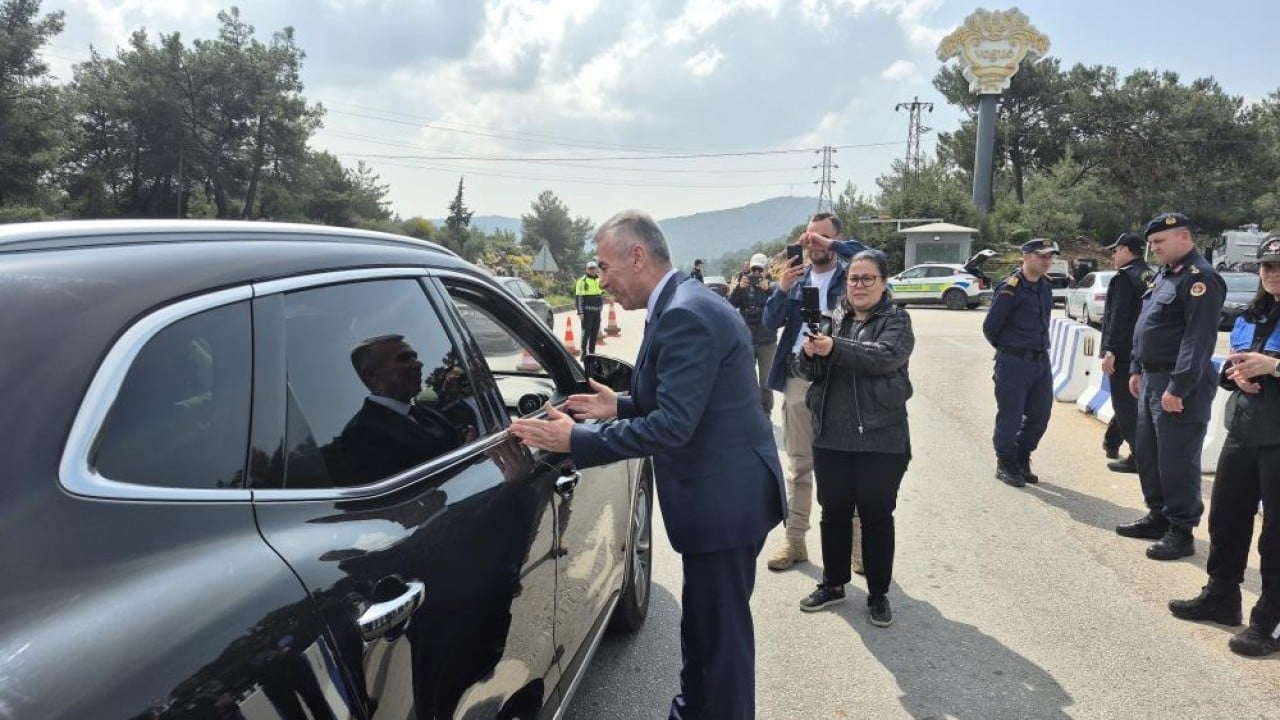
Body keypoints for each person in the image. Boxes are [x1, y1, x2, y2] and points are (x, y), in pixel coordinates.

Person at [510, 210, 786, 720]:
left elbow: (673, 426)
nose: (602, 280)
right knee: (704, 629)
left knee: (721, 643)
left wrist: (577, 439)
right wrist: (618, 404)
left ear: (637, 256)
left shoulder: (686, 313)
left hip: (723, 506)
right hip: (724, 499)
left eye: (604, 266)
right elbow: (685, 400)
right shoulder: (683, 303)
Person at [1168, 234, 1280, 657]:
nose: (1272, 274)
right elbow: (1226, 366)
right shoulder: (1251, 314)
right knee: (1227, 519)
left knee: (1276, 538)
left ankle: (1269, 622)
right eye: (1267, 266)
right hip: (1245, 431)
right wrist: (1236, 376)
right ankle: (1221, 596)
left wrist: (1275, 366)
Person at [794, 250, 914, 628]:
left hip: (881, 439)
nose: (858, 286)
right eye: (853, 279)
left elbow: (884, 357)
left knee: (877, 515)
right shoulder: (830, 319)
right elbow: (803, 368)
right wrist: (811, 354)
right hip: (831, 436)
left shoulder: (896, 320)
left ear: (884, 282)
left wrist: (835, 348)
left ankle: (878, 594)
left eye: (867, 279)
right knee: (834, 513)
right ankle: (833, 584)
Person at [1116, 212, 1225, 560]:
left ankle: (1181, 530)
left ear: (1185, 237)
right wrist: (1136, 366)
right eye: (1151, 244)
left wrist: (1178, 387)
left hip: (1178, 382)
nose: (1155, 249)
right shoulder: (1165, 275)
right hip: (1150, 377)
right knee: (1149, 453)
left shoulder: (1200, 278)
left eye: (1160, 242)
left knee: (1177, 458)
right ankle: (1158, 515)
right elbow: (1145, 324)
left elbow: (1198, 339)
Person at [760, 212, 866, 571]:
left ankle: (857, 549)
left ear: (836, 240)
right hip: (797, 378)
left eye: (823, 237)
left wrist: (832, 245)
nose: (814, 244)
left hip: (838, 377)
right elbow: (769, 323)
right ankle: (794, 542)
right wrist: (782, 289)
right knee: (799, 465)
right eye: (810, 236)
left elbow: (872, 259)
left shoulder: (852, 276)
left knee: (844, 467)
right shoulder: (796, 277)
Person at [329, 335, 471, 485]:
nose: (418, 364)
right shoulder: (360, 434)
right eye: (403, 359)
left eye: (414, 357)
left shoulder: (424, 414)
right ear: (371, 375)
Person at [982, 238, 1057, 487]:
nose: (1046, 261)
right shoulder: (1010, 287)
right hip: (1013, 362)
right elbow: (991, 327)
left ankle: (1022, 456)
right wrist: (1010, 350)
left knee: (1040, 415)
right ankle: (1005, 462)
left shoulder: (1045, 285)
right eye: (1041, 256)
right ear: (1026, 256)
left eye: (1050, 256)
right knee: (1011, 416)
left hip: (1040, 361)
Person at [1099, 232, 1154, 473]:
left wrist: (1110, 350)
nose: (1113, 255)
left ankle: (1138, 457)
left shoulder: (1124, 278)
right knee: (1129, 401)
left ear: (1126, 250)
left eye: (1115, 250)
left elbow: (1118, 318)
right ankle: (1112, 440)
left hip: (1123, 351)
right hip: (1144, 349)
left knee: (1124, 404)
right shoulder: (1149, 275)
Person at [729, 253, 779, 414]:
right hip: (747, 338)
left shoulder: (773, 286)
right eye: (754, 269)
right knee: (746, 380)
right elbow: (728, 306)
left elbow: (782, 303)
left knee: (765, 382)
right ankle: (749, 412)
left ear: (765, 270)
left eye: (760, 269)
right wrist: (738, 289)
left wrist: (769, 289)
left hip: (767, 340)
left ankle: (766, 413)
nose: (756, 273)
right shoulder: (742, 285)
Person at [575, 260, 604, 356]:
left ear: (596, 269)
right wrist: (580, 312)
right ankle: (584, 353)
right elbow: (579, 298)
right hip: (587, 312)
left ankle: (592, 353)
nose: (592, 270)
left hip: (597, 312)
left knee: (594, 333)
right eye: (590, 268)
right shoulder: (582, 281)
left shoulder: (599, 279)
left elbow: (601, 294)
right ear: (586, 270)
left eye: (594, 268)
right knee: (586, 333)